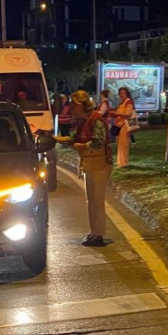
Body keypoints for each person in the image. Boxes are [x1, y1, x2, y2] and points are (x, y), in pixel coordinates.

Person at [56, 90, 112, 247]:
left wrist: (80, 146)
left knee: (97, 200)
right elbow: (74, 139)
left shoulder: (96, 120)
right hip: (90, 163)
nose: (71, 109)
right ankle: (95, 232)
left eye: (73, 106)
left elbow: (98, 142)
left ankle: (98, 234)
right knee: (92, 200)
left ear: (81, 105)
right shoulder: (84, 121)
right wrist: (56, 139)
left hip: (99, 163)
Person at [109, 87, 134, 168]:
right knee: (120, 144)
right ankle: (120, 162)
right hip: (119, 125)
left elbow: (128, 114)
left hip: (124, 124)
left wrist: (117, 114)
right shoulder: (121, 103)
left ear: (127, 94)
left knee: (123, 144)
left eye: (123, 93)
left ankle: (123, 163)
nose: (121, 95)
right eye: (120, 93)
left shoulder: (128, 101)